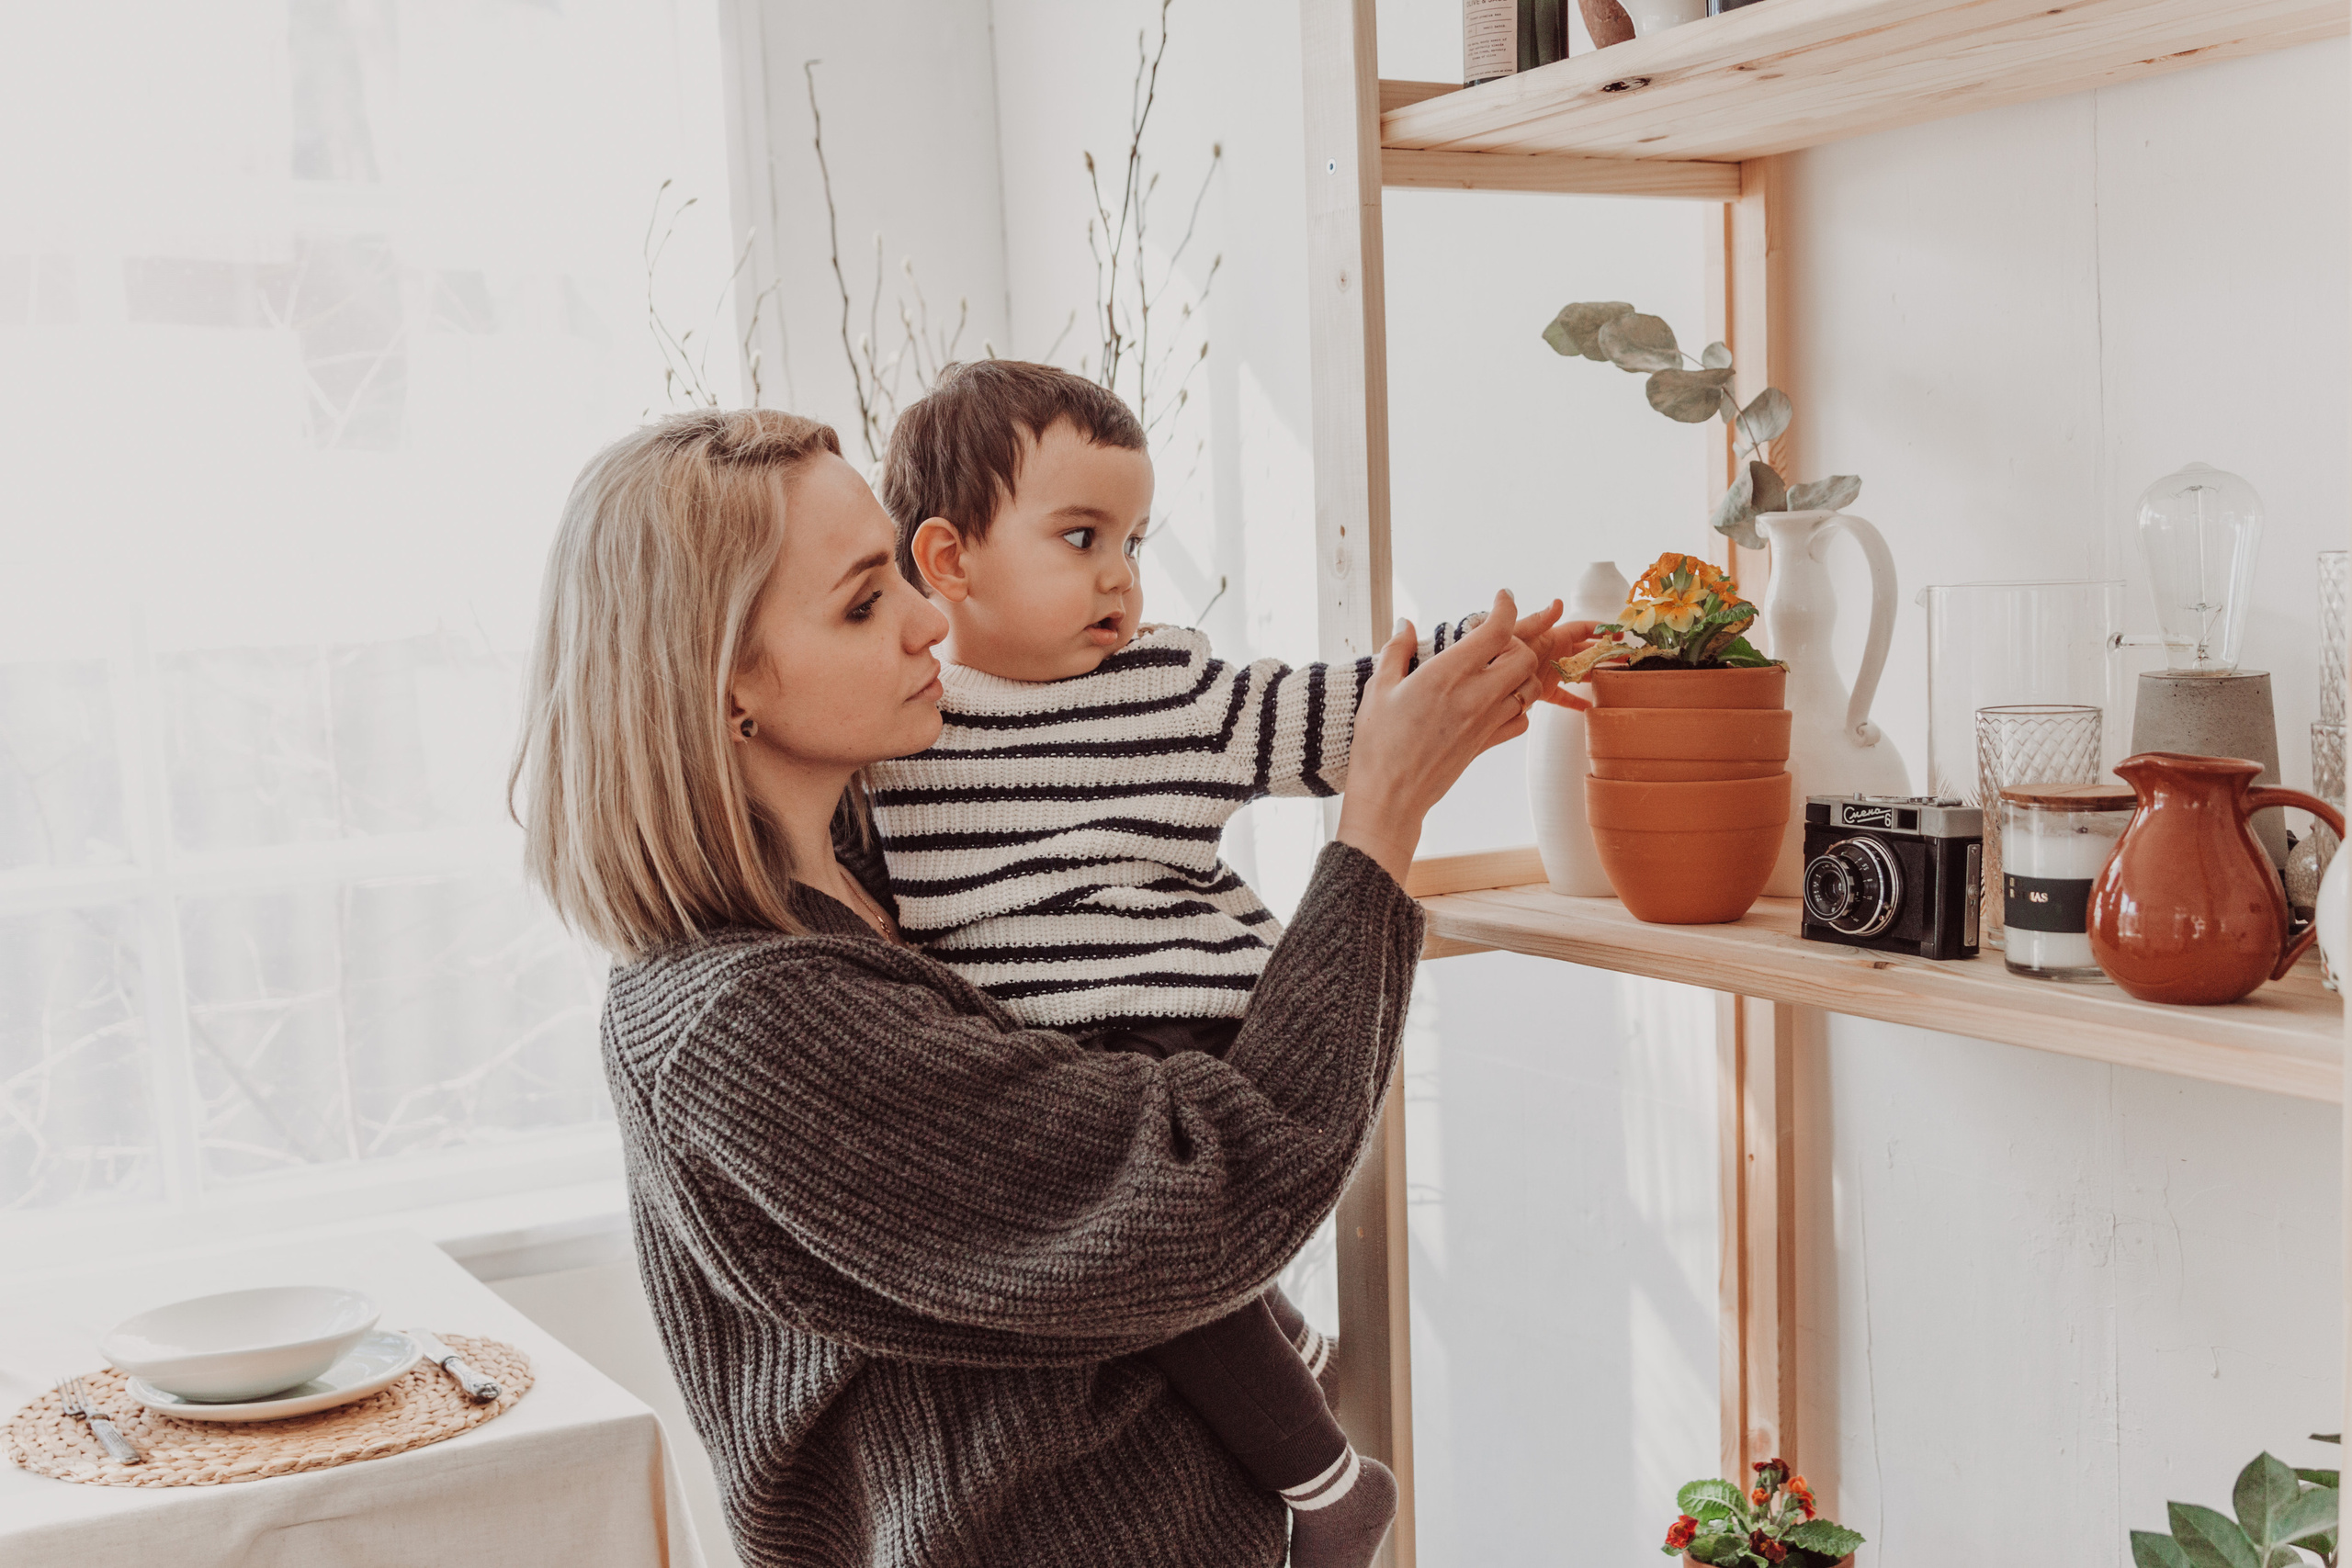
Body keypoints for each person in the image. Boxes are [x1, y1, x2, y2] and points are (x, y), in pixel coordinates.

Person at [511, 405, 1556, 1568]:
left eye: (901, 571)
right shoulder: (743, 1026)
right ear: (722, 690)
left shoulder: (886, 888)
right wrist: (1376, 830)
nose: (924, 619)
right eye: (862, 603)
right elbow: (1209, 1186)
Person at [873, 360, 1580, 1566]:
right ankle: (1283, 1349)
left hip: (1181, 1024)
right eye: (1082, 535)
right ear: (949, 559)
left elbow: (1338, 709)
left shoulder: (1171, 686)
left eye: (1134, 539)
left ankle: (1326, 1479)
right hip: (1038, 1064)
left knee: (1145, 1253)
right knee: (1115, 1267)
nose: (1118, 576)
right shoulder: (900, 724)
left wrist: (1488, 652)